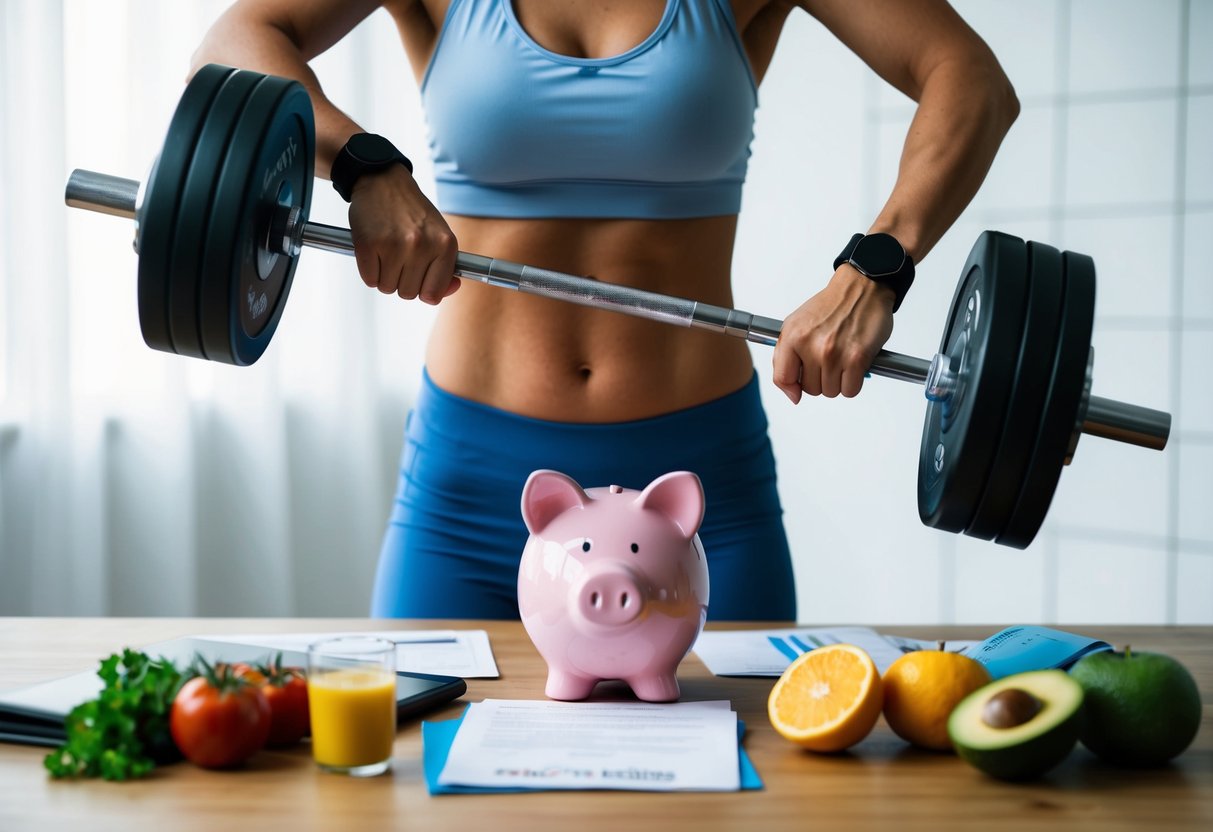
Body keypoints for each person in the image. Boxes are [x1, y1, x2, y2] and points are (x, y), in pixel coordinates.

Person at [192, 0, 1018, 620]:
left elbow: (968, 79)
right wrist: (365, 165)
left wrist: (876, 267)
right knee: (416, 787)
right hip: (471, 492)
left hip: (699, 490)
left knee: (752, 788)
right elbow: (236, 41)